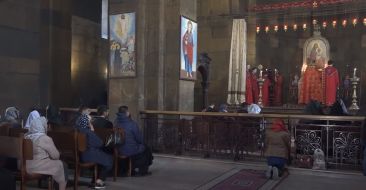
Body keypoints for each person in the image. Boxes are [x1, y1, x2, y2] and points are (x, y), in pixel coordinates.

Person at [25, 117, 67, 190]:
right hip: (36, 167)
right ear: (42, 126)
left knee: (56, 164)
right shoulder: (44, 138)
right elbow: (56, 156)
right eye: (46, 125)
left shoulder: (26, 137)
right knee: (62, 165)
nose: (47, 126)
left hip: (24, 166)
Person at [75, 113, 113, 188]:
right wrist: (92, 131)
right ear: (87, 123)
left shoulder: (77, 130)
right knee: (109, 159)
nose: (91, 123)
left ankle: (94, 179)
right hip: (87, 155)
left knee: (101, 157)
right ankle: (99, 182)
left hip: (78, 155)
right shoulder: (88, 132)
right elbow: (100, 143)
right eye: (90, 121)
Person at [115, 106, 153, 176]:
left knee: (142, 147)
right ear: (127, 113)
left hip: (118, 149)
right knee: (146, 149)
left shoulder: (116, 122)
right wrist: (142, 143)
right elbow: (139, 139)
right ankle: (142, 171)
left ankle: (130, 169)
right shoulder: (132, 124)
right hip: (130, 149)